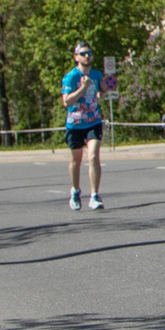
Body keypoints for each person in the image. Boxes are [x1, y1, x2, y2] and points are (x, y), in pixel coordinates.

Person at [64, 42, 106, 210]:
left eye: (89, 53)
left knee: (93, 156)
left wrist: (103, 91)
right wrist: (83, 87)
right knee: (76, 160)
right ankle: (75, 190)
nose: (87, 56)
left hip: (93, 121)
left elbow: (99, 96)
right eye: (83, 53)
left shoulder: (97, 74)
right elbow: (66, 101)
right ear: (76, 57)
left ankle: (94, 195)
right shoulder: (71, 77)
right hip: (75, 123)